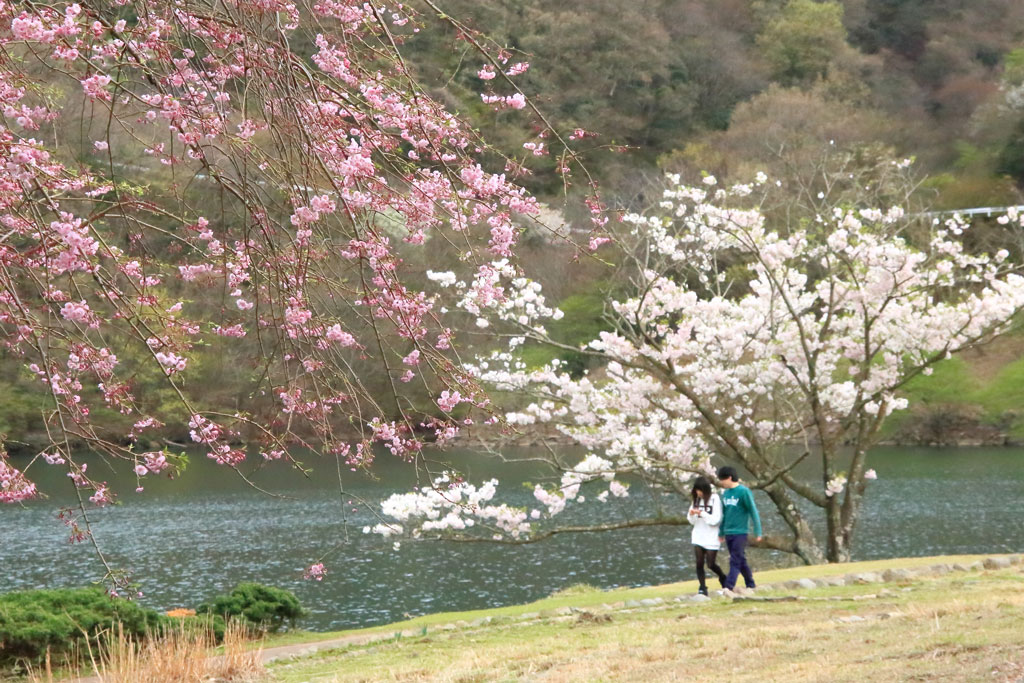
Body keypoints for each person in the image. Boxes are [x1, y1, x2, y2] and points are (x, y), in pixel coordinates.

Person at [716, 466, 763, 595]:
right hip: (729, 532)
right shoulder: (725, 494)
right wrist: (721, 532)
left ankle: (728, 586)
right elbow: (725, 514)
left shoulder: (743, 492)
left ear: (729, 478)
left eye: (722, 479)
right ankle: (750, 584)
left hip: (740, 532)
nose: (721, 482)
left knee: (735, 560)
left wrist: (758, 531)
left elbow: (753, 511)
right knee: (740, 560)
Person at [687, 475, 727, 596]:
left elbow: (715, 520)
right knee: (699, 562)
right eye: (696, 490)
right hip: (698, 535)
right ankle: (702, 587)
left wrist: (702, 513)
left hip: (711, 536)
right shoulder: (696, 500)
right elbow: (691, 521)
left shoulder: (715, 499)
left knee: (710, 564)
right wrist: (692, 514)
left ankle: (722, 577)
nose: (698, 493)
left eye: (700, 490)